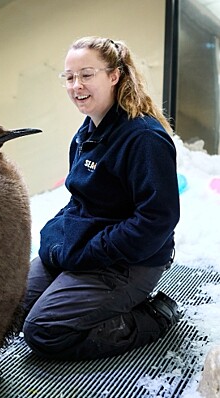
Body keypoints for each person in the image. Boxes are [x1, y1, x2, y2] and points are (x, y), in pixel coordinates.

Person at [22, 36, 181, 361]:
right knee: (9, 306)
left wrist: (90, 252)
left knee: (44, 330)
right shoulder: (87, 133)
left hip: (130, 260)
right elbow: (80, 201)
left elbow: (156, 221)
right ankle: (86, 297)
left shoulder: (144, 139)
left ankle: (153, 316)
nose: (76, 85)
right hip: (88, 249)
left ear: (114, 75)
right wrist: (56, 238)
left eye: (86, 74)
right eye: (69, 77)